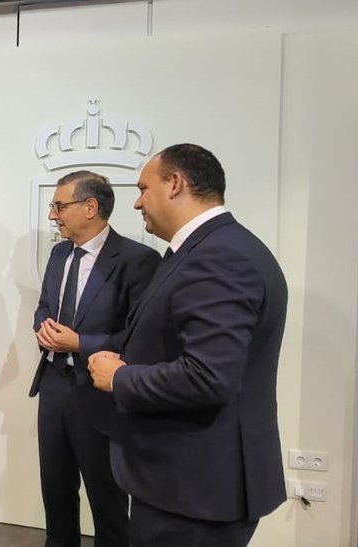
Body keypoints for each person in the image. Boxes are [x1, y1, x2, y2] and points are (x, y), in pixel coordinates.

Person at [88, 144, 288, 547]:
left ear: (175, 183)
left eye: (144, 188)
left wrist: (121, 377)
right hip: (185, 483)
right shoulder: (203, 250)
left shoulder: (219, 256)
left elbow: (209, 376)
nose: (137, 202)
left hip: (195, 489)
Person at [30, 171, 159, 547]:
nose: (53, 215)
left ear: (90, 207)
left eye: (59, 206)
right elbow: (43, 307)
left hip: (103, 395)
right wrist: (43, 329)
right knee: (55, 494)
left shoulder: (139, 261)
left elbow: (140, 338)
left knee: (108, 502)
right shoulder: (58, 254)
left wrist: (80, 342)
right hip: (54, 387)